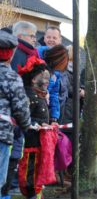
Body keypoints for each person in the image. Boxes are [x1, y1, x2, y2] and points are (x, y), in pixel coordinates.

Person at [18, 56, 57, 199]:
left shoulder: (38, 95)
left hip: (38, 142)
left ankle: (35, 194)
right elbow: (24, 118)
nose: (47, 81)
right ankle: (31, 195)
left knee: (37, 170)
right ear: (34, 79)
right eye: (44, 77)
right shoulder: (30, 95)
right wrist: (40, 124)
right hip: (30, 143)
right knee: (30, 171)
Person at [0, 30, 31, 198]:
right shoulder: (11, 77)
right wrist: (26, 125)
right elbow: (20, 107)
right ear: (10, 55)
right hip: (2, 134)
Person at [44, 44, 69, 124]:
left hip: (47, 111)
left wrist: (54, 117)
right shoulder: (42, 68)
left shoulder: (56, 74)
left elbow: (54, 94)